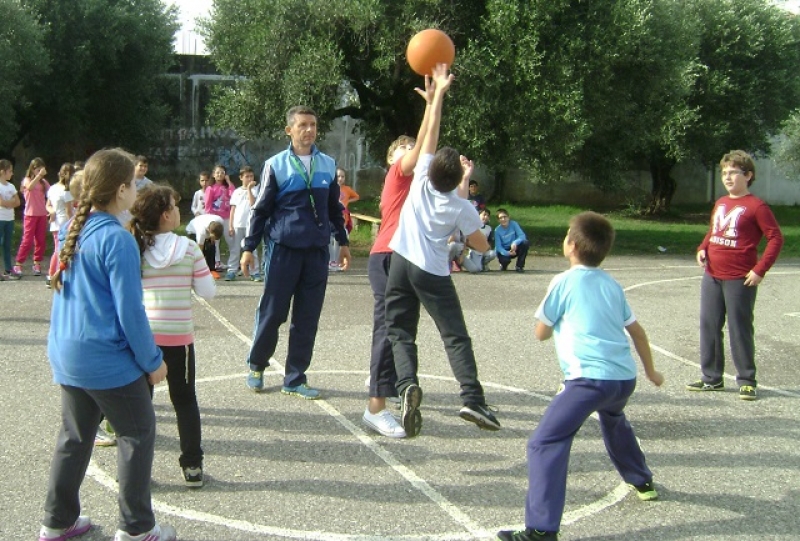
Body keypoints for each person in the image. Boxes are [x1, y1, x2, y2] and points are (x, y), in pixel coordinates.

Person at [498, 211, 664, 541]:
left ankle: (542, 529)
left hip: (589, 380)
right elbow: (638, 333)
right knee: (614, 418)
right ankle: (641, 479)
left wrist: (554, 324)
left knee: (544, 442)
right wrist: (651, 371)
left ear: (571, 245)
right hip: (622, 380)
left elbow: (541, 333)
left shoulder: (563, 282)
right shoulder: (612, 285)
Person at [39, 148, 177, 541]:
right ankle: (137, 529)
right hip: (104, 360)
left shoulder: (71, 228)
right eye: (133, 183)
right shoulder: (117, 240)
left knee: (75, 436)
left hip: (69, 354)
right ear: (120, 190)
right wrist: (153, 362)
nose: (137, 189)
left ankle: (57, 522)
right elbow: (130, 314)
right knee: (137, 433)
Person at [384, 63, 500, 437]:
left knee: (400, 330)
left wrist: (436, 98)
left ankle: (407, 387)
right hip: (431, 270)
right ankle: (472, 398)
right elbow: (481, 244)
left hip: (400, 261)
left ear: (433, 168)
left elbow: (430, 134)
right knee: (454, 334)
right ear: (457, 179)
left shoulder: (420, 176)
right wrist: (477, 230)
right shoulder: (461, 206)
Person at [241, 105, 351, 399]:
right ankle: (257, 365)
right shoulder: (275, 165)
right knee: (273, 312)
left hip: (316, 251)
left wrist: (343, 242)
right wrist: (249, 247)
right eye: (302, 125)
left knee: (307, 317)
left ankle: (295, 377)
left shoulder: (327, 164)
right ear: (289, 130)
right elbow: (261, 209)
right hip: (284, 249)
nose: (309, 130)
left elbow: (333, 208)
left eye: (313, 125)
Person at [129, 184, 216, 488]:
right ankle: (192, 466)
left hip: (145, 339)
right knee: (185, 401)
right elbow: (208, 292)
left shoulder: (137, 247)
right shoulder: (189, 248)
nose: (180, 210)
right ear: (167, 215)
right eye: (175, 206)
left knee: (141, 406)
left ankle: (136, 471)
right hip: (179, 338)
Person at [362, 80, 435, 439]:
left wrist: (436, 106)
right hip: (388, 257)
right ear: (391, 160)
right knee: (389, 329)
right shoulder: (396, 175)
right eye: (401, 148)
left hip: (409, 260)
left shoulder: (420, 183)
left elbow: (429, 150)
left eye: (410, 146)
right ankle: (376, 406)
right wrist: (429, 108)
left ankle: (390, 383)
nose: (409, 150)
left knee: (401, 331)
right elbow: (422, 147)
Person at [687, 150, 783, 401]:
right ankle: (711, 378)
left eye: (733, 173)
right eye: (724, 173)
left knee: (739, 328)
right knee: (709, 325)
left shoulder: (756, 206)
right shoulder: (721, 202)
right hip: (713, 275)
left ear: (748, 175)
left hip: (740, 277)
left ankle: (747, 379)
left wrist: (760, 269)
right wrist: (702, 247)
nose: (727, 177)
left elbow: (775, 238)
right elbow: (714, 230)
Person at [13, 157, 50, 277]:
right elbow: (29, 187)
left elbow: (51, 193)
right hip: (30, 214)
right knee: (27, 240)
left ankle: (37, 262)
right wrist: (39, 176)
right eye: (37, 169)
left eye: (41, 169)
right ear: (32, 169)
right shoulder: (27, 180)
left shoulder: (44, 182)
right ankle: (18, 264)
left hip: (42, 214)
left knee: (40, 240)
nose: (40, 171)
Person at [227, 165, 260, 281]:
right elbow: (232, 209)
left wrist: (250, 190)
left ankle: (255, 272)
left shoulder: (256, 190)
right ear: (241, 177)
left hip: (250, 225)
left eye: (251, 176)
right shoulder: (236, 192)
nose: (250, 179)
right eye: (247, 176)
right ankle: (231, 270)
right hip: (238, 224)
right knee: (235, 249)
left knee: (252, 249)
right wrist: (230, 225)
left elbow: (253, 204)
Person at [45, 163, 75, 288]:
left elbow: (48, 204)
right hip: (64, 224)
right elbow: (69, 211)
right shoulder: (66, 191)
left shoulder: (52, 188)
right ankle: (51, 274)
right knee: (59, 250)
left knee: (58, 249)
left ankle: (53, 274)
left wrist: (51, 211)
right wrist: (73, 225)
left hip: (55, 224)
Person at [204, 164, 236, 272]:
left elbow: (234, 195)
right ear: (213, 174)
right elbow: (207, 205)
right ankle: (217, 262)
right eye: (217, 172)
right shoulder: (210, 188)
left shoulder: (228, 187)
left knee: (231, 239)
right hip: (215, 218)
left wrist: (228, 181)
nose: (220, 175)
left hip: (227, 217)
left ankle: (234, 262)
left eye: (222, 172)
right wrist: (209, 218)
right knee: (215, 241)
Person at [329, 167, 359, 271]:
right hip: (332, 216)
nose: (340, 178)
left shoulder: (347, 189)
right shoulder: (331, 188)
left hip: (343, 216)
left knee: (339, 238)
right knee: (330, 239)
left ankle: (338, 261)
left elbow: (356, 196)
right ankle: (331, 260)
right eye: (338, 176)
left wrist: (347, 202)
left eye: (343, 176)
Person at [186, 213, 225, 279]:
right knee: (197, 251)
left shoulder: (220, 221)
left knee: (211, 247)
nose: (215, 240)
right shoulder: (201, 231)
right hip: (192, 230)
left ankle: (212, 270)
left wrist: (213, 240)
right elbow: (199, 249)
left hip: (205, 223)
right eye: (214, 237)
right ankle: (194, 270)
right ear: (209, 231)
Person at [0, 159, 21, 281]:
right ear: (3, 171)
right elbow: (1, 202)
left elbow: (18, 202)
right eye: (10, 171)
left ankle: (8, 269)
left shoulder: (11, 186)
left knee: (7, 245)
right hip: (0, 218)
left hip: (9, 219)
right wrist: (9, 203)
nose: (12, 173)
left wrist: (7, 203)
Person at [461, 208, 496, 273]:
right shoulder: (473, 227)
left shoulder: (489, 228)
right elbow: (467, 241)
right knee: (478, 269)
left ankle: (483, 263)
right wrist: (476, 248)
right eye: (484, 215)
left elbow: (490, 241)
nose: (486, 217)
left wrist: (487, 247)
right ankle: (470, 260)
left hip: (484, 250)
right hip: (475, 251)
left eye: (488, 216)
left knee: (493, 253)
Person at [494, 208, 530, 272]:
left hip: (513, 247)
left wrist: (515, 242)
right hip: (504, 250)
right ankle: (503, 265)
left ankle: (519, 266)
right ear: (498, 220)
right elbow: (498, 247)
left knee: (525, 243)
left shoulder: (514, 224)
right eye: (501, 218)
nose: (503, 219)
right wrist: (508, 253)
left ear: (508, 217)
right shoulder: (497, 231)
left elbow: (522, 236)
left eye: (505, 217)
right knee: (505, 260)